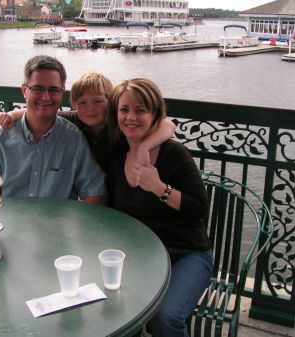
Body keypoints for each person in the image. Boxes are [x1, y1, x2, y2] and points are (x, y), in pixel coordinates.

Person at [106, 78, 213, 337]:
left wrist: (159, 188)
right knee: (112, 310)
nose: (131, 117)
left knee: (165, 318)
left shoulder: (173, 153)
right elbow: (71, 114)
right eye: (124, 109)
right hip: (142, 255)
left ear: (154, 114)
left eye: (140, 110)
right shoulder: (115, 151)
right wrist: (19, 113)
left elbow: (199, 208)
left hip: (186, 253)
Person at [0, 55, 107, 204]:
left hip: (55, 226)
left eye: (53, 90)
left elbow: (95, 191)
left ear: (61, 93)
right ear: (24, 90)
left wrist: (78, 225)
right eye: (37, 88)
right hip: (8, 225)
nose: (46, 97)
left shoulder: (73, 139)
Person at [0, 72, 176, 173]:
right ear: (75, 106)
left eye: (98, 102)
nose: (90, 109)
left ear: (110, 102)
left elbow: (167, 125)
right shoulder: (76, 119)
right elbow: (39, 112)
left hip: (120, 189)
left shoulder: (119, 122)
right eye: (83, 103)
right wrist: (12, 115)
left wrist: (144, 147)